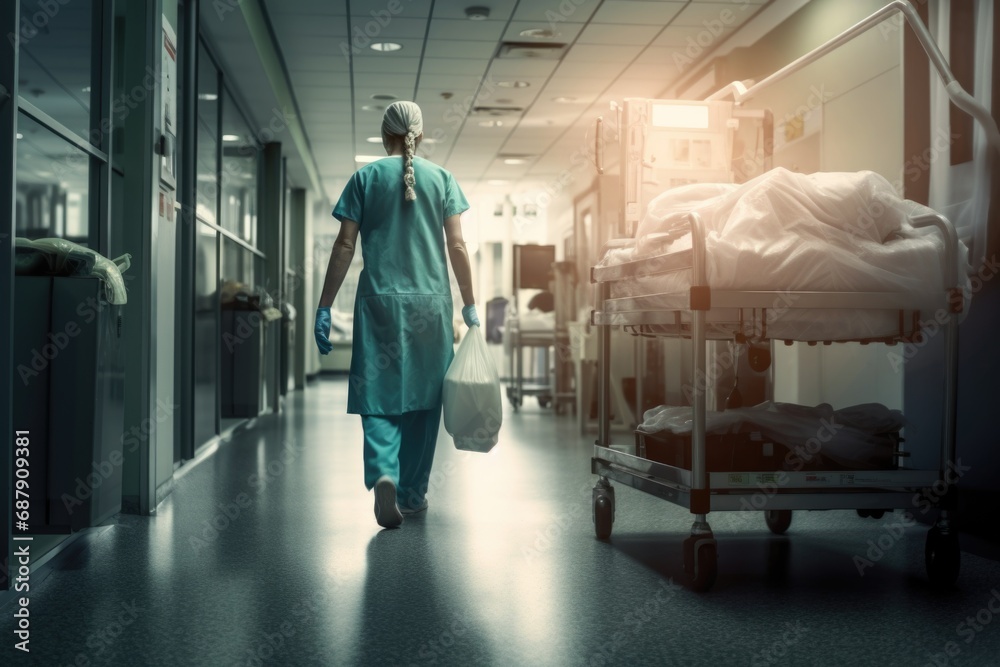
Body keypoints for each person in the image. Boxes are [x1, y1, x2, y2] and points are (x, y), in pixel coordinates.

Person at [314, 101, 479, 529]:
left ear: (383, 135)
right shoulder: (442, 179)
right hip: (431, 305)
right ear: (419, 136)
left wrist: (325, 305)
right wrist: (470, 303)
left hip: (380, 302)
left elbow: (344, 247)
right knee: (425, 402)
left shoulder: (365, 178)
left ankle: (383, 471)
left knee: (378, 395)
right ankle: (411, 493)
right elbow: (457, 247)